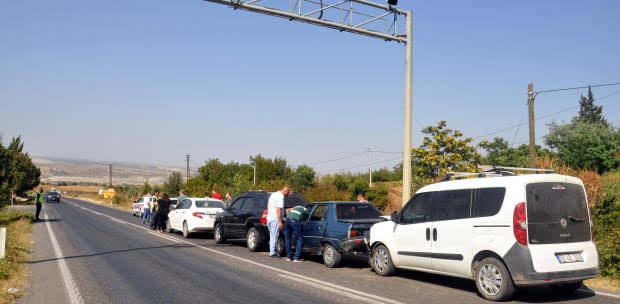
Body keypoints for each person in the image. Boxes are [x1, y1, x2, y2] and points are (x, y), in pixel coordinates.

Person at [266, 186, 290, 258]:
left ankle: (272, 250)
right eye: (287, 193)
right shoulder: (280, 197)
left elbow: (267, 206)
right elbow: (278, 210)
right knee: (274, 236)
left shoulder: (273, 194)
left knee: (272, 235)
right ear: (285, 192)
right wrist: (280, 222)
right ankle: (272, 252)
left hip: (269, 218)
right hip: (275, 219)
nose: (287, 195)